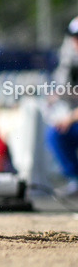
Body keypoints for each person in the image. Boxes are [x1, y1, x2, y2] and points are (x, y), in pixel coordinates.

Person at [46, 17, 78, 198]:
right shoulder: (69, 59)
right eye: (74, 37)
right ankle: (75, 179)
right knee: (56, 134)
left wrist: (71, 117)